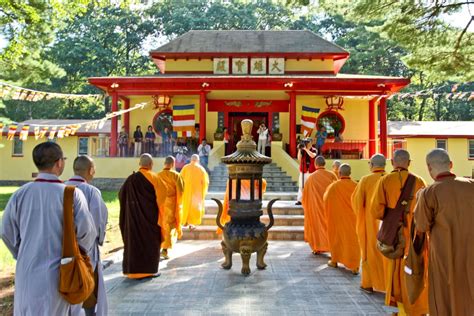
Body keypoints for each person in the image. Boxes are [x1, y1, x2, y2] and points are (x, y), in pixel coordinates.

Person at [1, 142, 95, 315]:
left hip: (27, 271)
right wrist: (76, 255)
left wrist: (22, 252)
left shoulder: (20, 194)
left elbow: (6, 232)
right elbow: (87, 234)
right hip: (61, 273)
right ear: (59, 163)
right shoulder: (71, 194)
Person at [414, 149, 474, 315]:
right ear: (451, 165)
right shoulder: (471, 185)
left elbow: (421, 225)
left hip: (443, 255)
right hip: (470, 254)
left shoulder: (428, 193)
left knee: (443, 296)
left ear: (429, 168)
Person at [373, 149, 428, 315]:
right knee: (415, 268)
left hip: (395, 235)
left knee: (396, 270)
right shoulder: (419, 181)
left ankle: (402, 309)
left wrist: (392, 217)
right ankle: (416, 308)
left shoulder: (385, 181)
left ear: (392, 162)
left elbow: (376, 210)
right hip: (414, 233)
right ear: (409, 163)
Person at [66, 155, 108, 316]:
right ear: (90, 170)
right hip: (86, 251)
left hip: (62, 249)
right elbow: (97, 222)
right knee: (88, 288)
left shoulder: (61, 188)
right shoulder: (91, 191)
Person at [119, 153, 165, 279]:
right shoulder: (155, 178)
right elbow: (162, 199)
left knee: (134, 243)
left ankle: (132, 272)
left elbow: (121, 196)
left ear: (140, 165)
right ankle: (149, 271)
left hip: (133, 218)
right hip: (151, 219)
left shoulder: (130, 179)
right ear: (151, 165)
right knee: (150, 243)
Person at [351, 154, 387, 294]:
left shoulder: (366, 180)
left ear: (371, 165)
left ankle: (368, 283)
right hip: (387, 224)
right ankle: (388, 285)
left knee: (370, 252)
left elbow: (357, 203)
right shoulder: (390, 179)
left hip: (371, 224)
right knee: (387, 255)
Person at [324, 163, 360, 274]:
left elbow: (326, 200)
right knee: (353, 241)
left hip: (337, 219)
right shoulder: (356, 186)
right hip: (353, 220)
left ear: (339, 173)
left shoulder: (333, 186)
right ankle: (355, 266)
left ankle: (334, 261)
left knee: (337, 239)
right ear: (350, 173)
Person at [301, 156, 337, 254]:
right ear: (325, 164)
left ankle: (317, 248)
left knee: (317, 227)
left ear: (315, 164)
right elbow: (337, 190)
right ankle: (331, 247)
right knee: (330, 227)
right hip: (329, 208)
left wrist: (308, 206)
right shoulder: (332, 175)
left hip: (316, 209)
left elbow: (305, 196)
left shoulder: (311, 177)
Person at [156, 156, 184, 260]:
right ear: (173, 164)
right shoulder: (176, 175)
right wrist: (179, 204)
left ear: (164, 163)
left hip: (159, 204)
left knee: (160, 225)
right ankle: (165, 250)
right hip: (171, 204)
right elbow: (181, 191)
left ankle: (158, 248)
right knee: (170, 226)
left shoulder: (158, 175)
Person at [180, 154, 209, 228]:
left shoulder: (185, 168)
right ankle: (194, 222)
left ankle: (186, 221)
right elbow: (205, 182)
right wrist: (203, 190)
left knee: (186, 206)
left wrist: (182, 190)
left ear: (191, 160)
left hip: (186, 192)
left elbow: (180, 180)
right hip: (197, 193)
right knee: (195, 206)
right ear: (198, 160)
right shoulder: (201, 169)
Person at [296, 138, 317, 205]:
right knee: (301, 185)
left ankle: (311, 199)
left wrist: (306, 149)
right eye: (306, 142)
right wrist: (299, 149)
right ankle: (300, 200)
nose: (307, 143)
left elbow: (313, 155)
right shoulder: (302, 150)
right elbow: (299, 158)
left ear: (311, 143)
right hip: (303, 170)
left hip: (311, 171)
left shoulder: (314, 150)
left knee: (311, 186)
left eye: (308, 142)